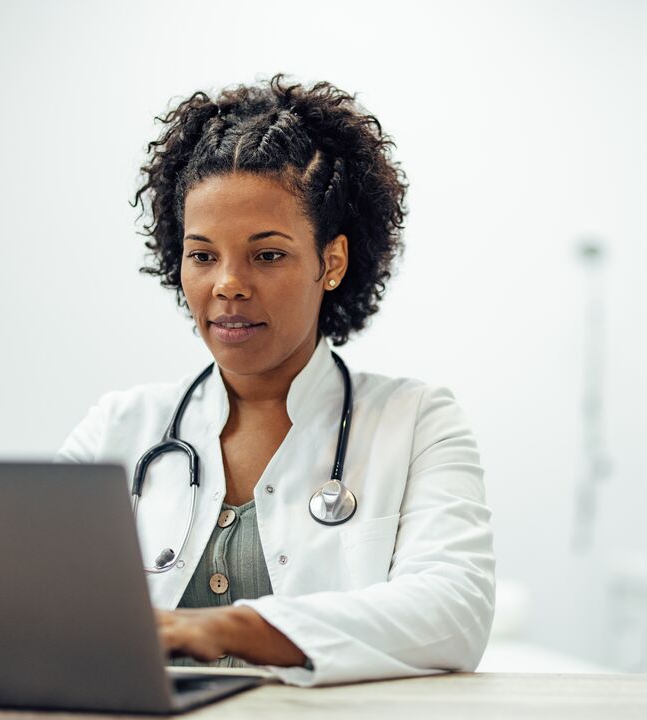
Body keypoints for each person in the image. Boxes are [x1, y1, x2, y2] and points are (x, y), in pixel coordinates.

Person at [56, 75, 495, 687]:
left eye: (267, 255)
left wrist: (223, 630)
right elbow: (32, 599)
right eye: (203, 255)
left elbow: (454, 610)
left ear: (331, 261)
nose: (227, 284)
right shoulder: (120, 426)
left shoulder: (415, 421)